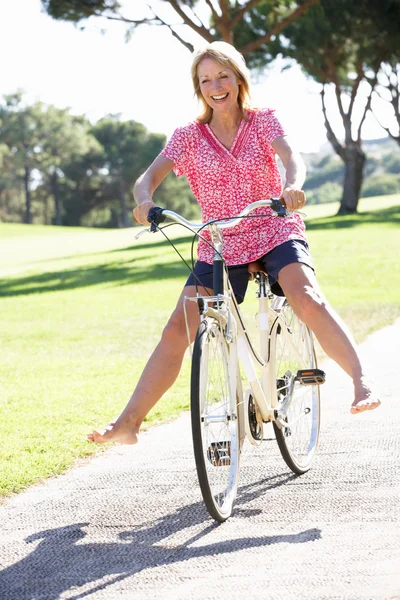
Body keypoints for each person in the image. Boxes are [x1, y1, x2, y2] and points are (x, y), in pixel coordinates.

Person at [88, 42, 380, 446]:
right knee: (178, 326)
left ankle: (361, 383)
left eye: (222, 75)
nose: (215, 85)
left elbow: (293, 156)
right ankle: (129, 422)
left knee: (306, 296)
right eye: (206, 79)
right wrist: (144, 201)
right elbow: (146, 179)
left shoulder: (263, 121)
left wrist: (292, 186)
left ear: (239, 78)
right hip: (220, 238)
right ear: (198, 87)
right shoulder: (188, 136)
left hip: (274, 225)